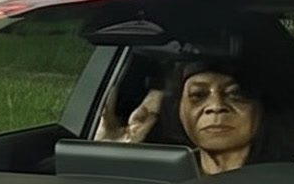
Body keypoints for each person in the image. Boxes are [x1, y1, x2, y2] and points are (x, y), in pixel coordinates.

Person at [96, 64, 275, 175]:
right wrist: (108, 159)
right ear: (179, 110)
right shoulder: (156, 180)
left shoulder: (290, 180)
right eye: (198, 95)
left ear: (260, 107)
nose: (216, 105)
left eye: (235, 94)